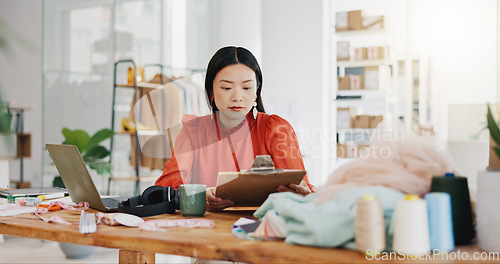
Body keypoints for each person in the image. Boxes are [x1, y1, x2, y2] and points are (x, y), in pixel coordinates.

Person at [155, 46, 314, 211]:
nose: (237, 97)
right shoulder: (193, 132)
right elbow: (166, 188)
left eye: (246, 88)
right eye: (226, 88)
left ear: (256, 93)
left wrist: (304, 194)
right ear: (211, 92)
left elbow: (302, 188)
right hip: (207, 231)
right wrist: (201, 197)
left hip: (261, 229)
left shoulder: (276, 129)